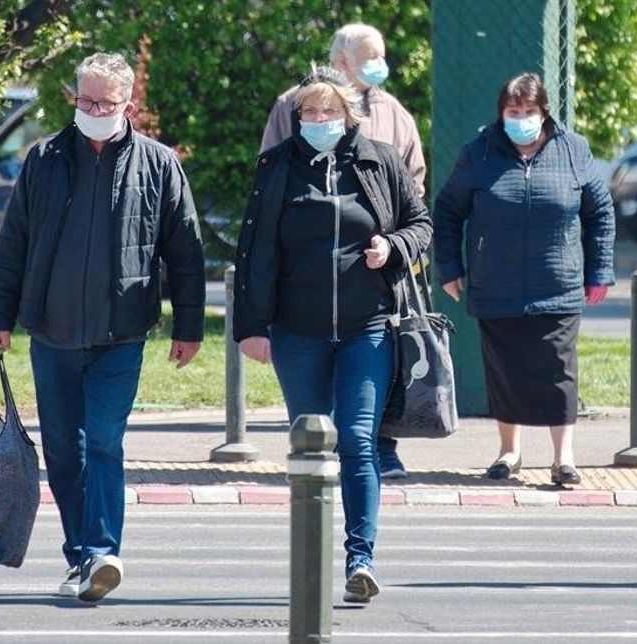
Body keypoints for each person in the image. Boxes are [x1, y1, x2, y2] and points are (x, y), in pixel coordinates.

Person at [0, 52, 206, 603]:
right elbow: (14, 244)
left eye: (106, 103)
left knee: (104, 442)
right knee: (63, 451)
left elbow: (186, 252)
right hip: (52, 333)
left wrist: (190, 326)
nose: (94, 109)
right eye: (86, 100)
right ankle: (81, 555)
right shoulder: (44, 158)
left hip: (121, 335)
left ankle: (104, 551)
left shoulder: (158, 164)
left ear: (127, 103)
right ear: (74, 98)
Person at [234, 65, 431, 604]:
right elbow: (252, 253)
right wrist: (249, 327)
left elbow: (421, 225)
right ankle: (312, 556)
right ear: (295, 117)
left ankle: (360, 558)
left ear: (349, 115)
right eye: (309, 113)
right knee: (310, 441)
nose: (319, 121)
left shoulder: (379, 160)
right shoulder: (276, 167)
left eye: (329, 112)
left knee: (358, 439)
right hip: (296, 332)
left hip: (367, 329)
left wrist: (392, 247)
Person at [261, 23, 426, 479]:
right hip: (303, 291)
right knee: (315, 407)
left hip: (374, 277)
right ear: (339, 63)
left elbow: (414, 188)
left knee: (372, 382)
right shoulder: (291, 107)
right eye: (368, 57)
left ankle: (381, 447)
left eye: (381, 55)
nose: (379, 66)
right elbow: (272, 175)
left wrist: (393, 242)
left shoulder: (394, 113)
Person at [433, 72, 615, 486]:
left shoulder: (573, 150)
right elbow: (447, 212)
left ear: (544, 111)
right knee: (505, 369)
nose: (522, 119)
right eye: (513, 112)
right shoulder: (478, 153)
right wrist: (450, 268)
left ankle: (563, 458)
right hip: (495, 283)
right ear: (501, 115)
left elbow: (600, 213)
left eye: (530, 111)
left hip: (559, 283)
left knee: (558, 369)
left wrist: (599, 270)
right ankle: (508, 452)